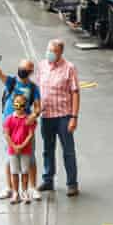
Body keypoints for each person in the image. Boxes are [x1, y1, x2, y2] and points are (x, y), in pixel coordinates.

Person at [0, 57, 42, 201]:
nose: (22, 71)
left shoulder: (33, 88)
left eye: (25, 69)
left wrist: (34, 114)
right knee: (10, 157)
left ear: (30, 71)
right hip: (10, 125)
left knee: (30, 156)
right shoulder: (11, 82)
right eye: (21, 68)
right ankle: (10, 188)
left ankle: (32, 188)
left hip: (25, 125)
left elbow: (38, 105)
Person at [35, 39, 80, 196]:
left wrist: (74, 117)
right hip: (46, 116)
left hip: (63, 116)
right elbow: (37, 89)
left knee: (68, 151)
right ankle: (48, 180)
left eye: (53, 51)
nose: (50, 53)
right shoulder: (41, 66)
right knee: (48, 150)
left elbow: (75, 93)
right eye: (49, 50)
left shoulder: (69, 68)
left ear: (60, 52)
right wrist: (36, 110)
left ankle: (72, 183)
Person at [3, 94, 36, 204]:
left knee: (25, 171)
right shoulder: (9, 119)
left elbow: (30, 134)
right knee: (14, 172)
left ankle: (24, 191)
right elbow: (6, 134)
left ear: (25, 106)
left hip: (25, 150)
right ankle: (15, 192)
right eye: (16, 104)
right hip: (13, 151)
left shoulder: (29, 120)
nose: (19, 107)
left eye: (21, 105)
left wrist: (21, 146)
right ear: (13, 105)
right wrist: (14, 146)